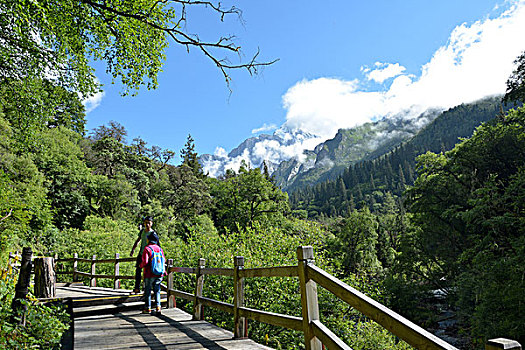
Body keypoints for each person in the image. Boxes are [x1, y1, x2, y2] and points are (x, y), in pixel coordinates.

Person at [139, 232, 166, 315]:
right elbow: (163, 260)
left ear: (148, 239)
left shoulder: (147, 248)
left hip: (149, 273)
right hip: (159, 273)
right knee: (157, 290)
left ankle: (148, 308)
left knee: (147, 291)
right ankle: (158, 307)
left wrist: (140, 266)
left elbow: (145, 261)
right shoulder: (160, 249)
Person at [130, 216, 156, 293]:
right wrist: (133, 249)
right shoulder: (142, 232)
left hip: (149, 255)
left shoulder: (153, 233)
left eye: (149, 223)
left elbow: (157, 245)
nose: (147, 224)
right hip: (141, 254)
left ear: (151, 223)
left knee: (147, 272)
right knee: (138, 270)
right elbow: (137, 240)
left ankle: (146, 289)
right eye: (146, 223)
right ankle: (137, 288)